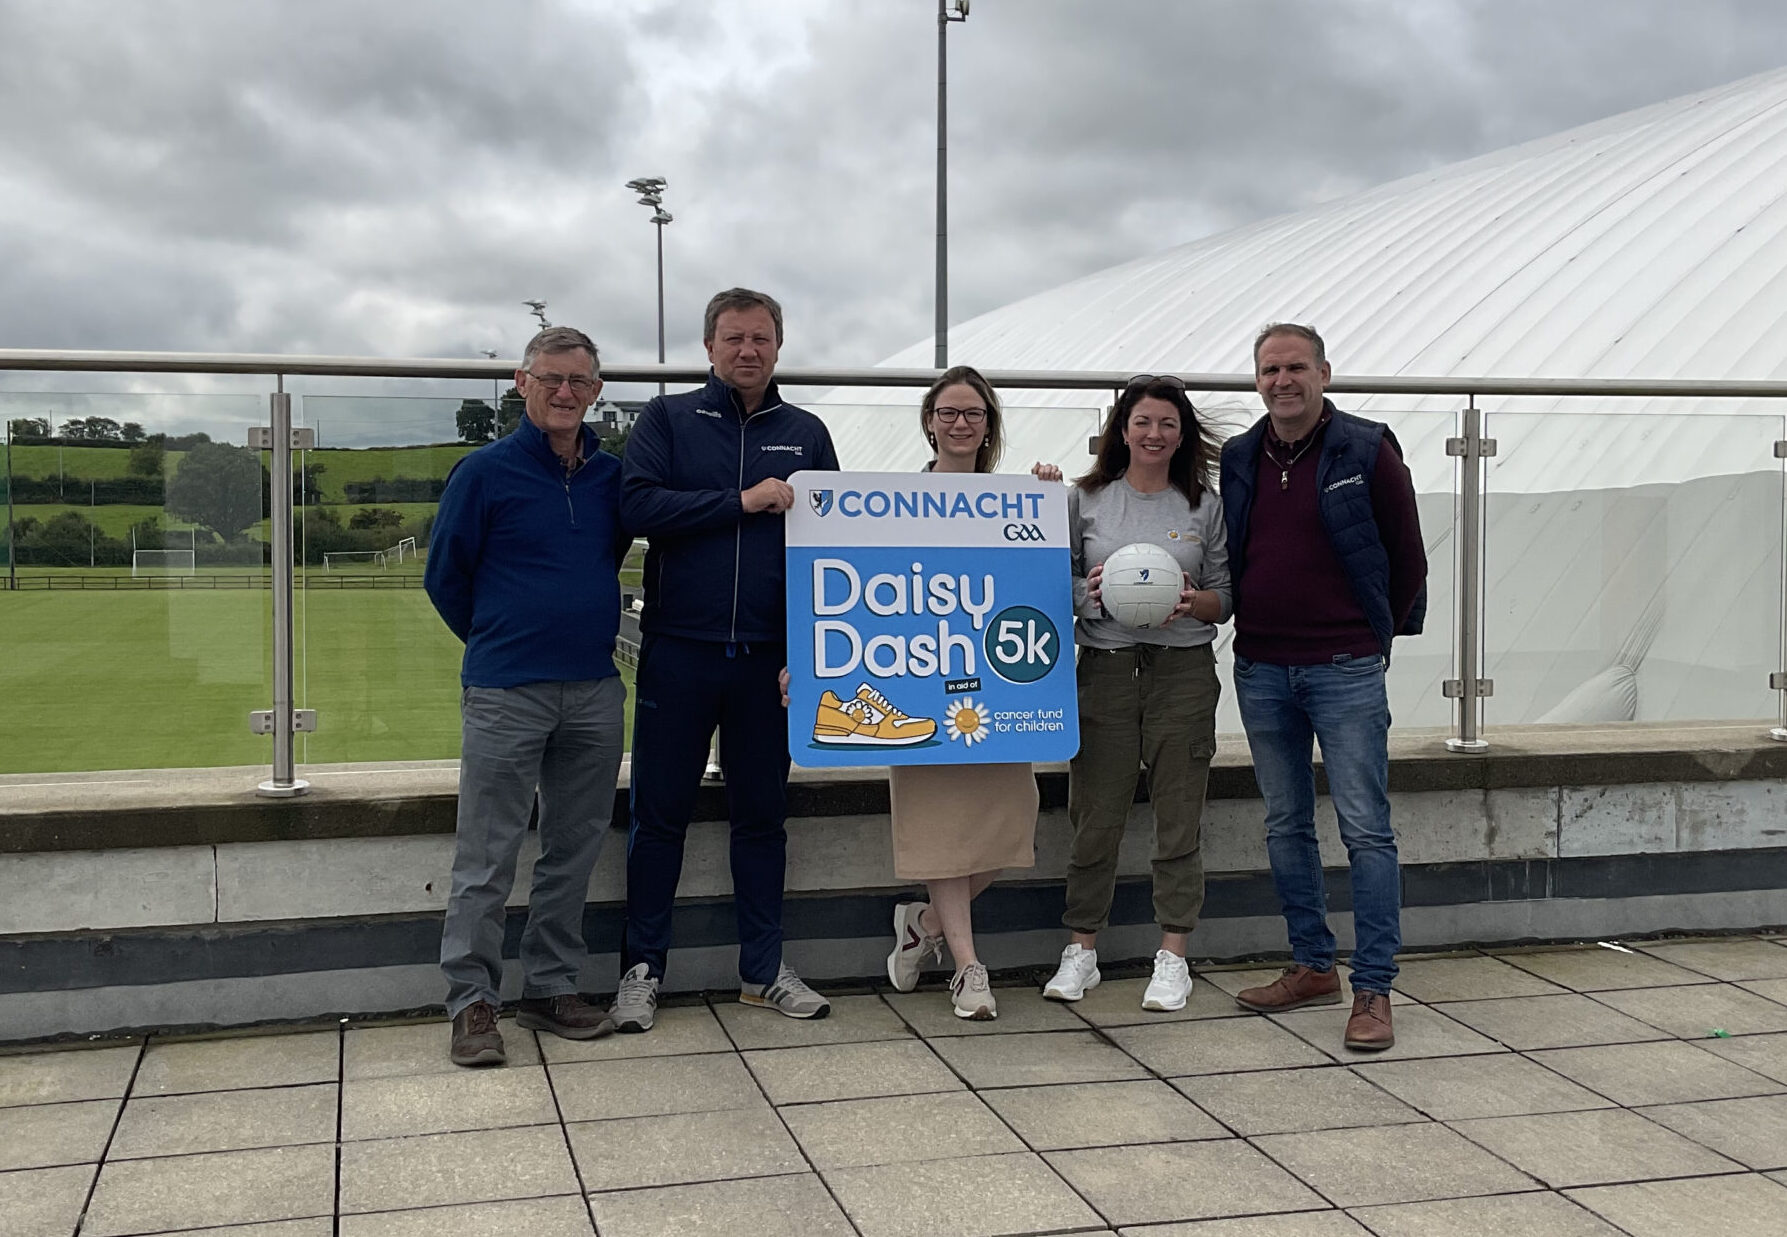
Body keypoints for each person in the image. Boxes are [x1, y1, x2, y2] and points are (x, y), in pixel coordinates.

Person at [613, 288, 840, 1032]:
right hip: (678, 650)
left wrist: (806, 648)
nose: (748, 350)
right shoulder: (667, 419)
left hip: (767, 664)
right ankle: (642, 971)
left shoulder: (805, 431)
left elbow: (829, 551)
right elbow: (639, 508)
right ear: (708, 347)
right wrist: (738, 501)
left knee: (762, 818)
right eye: (734, 338)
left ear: (779, 346)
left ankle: (762, 968)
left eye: (761, 338)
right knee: (658, 817)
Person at [424, 325, 629, 1067]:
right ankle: (472, 1002)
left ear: (596, 390)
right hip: (506, 690)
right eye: (550, 379)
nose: (564, 392)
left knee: (572, 851)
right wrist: (500, 642)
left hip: (595, 689)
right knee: (487, 855)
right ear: (521, 383)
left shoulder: (612, 479)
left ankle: (549, 987)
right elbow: (444, 579)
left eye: (578, 381)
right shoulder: (483, 473)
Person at [1221, 322, 1426, 1051]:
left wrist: (1371, 640)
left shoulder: (1366, 449)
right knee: (1285, 824)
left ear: (1324, 373)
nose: (1282, 380)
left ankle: (1372, 986)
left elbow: (1406, 557)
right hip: (1261, 667)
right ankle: (1312, 965)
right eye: (1269, 369)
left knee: (1366, 829)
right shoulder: (1241, 455)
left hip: (1343, 668)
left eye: (1295, 367)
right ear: (1257, 380)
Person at [1042, 376, 1230, 1013]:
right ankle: (1081, 950)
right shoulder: (1085, 500)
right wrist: (1085, 594)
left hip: (1181, 671)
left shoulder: (1205, 504)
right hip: (1104, 666)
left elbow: (1225, 595)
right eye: (1143, 422)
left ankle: (1173, 955)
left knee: (1179, 816)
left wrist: (1193, 600)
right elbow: (1053, 577)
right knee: (1094, 816)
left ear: (1183, 435)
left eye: (1168, 425)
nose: (1155, 435)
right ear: (1122, 430)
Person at [882, 366, 1060, 1020]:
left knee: (1012, 825)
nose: (960, 423)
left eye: (973, 413)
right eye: (948, 412)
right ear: (929, 420)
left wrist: (1047, 504)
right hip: (920, 688)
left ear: (989, 425)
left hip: (993, 693)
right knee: (937, 829)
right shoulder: (894, 504)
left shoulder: (1018, 500)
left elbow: (1039, 590)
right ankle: (967, 966)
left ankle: (922, 922)